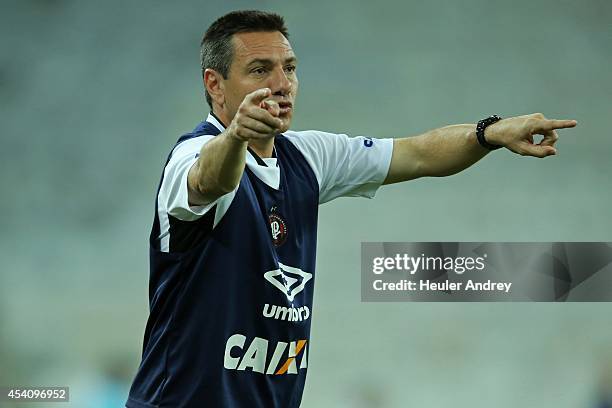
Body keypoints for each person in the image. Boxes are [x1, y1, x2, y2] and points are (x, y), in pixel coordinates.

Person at [125, 10, 577, 408]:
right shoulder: (191, 156)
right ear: (214, 83)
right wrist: (237, 137)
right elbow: (210, 179)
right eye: (260, 70)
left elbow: (417, 154)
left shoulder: (308, 156)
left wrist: (489, 133)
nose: (281, 85)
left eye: (290, 68)